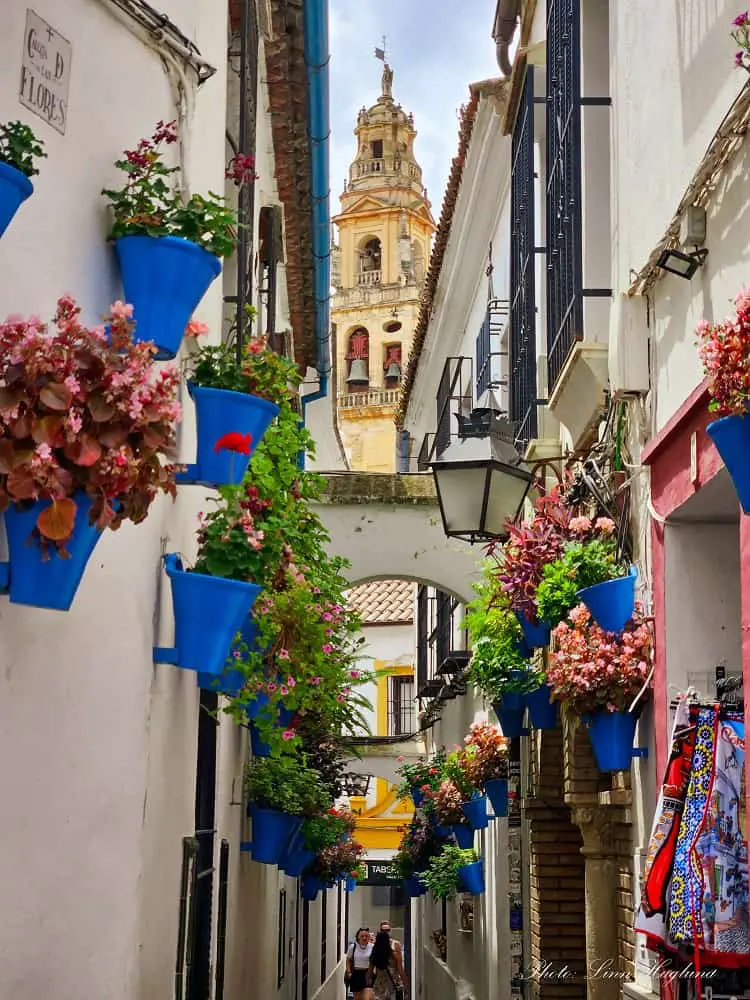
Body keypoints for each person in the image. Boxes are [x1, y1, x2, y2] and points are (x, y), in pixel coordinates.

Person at [369, 925, 406, 1000]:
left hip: (391, 981)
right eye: (383, 930)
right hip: (382, 983)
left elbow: (399, 968)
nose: (386, 932)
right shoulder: (376, 946)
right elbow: (371, 968)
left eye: (388, 930)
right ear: (380, 931)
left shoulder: (395, 945)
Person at [346, 927, 373, 1000]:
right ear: (358, 937)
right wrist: (349, 972)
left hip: (368, 974)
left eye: (366, 936)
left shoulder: (372, 947)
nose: (364, 938)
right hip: (356, 974)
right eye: (362, 936)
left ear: (369, 937)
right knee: (357, 998)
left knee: (366, 998)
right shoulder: (353, 947)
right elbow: (348, 960)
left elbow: (374, 961)